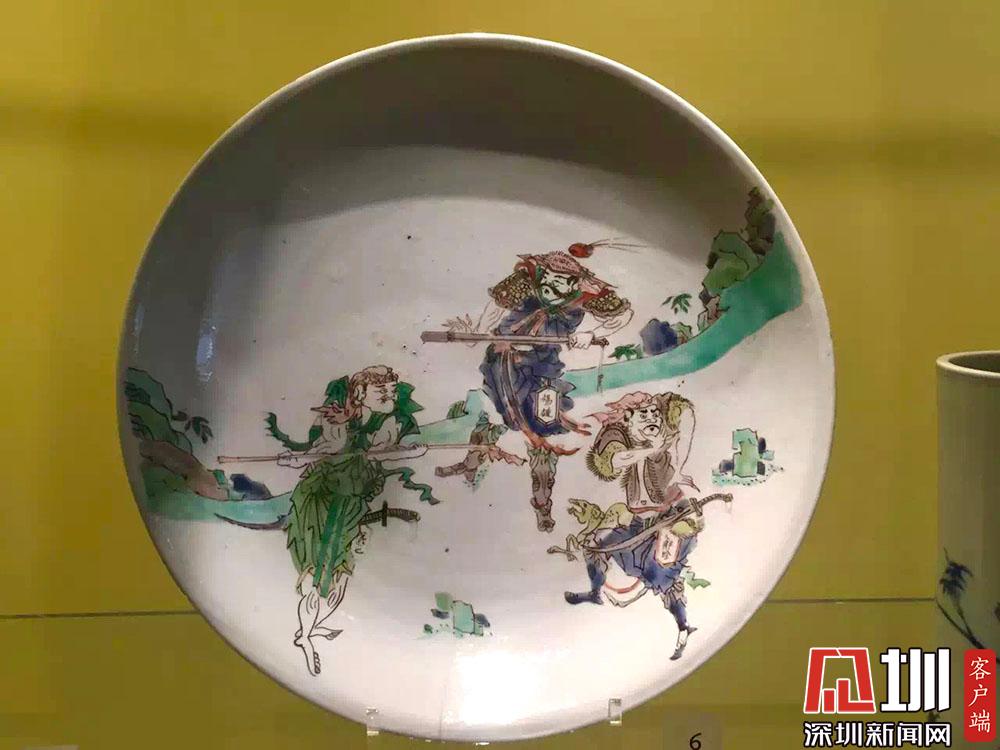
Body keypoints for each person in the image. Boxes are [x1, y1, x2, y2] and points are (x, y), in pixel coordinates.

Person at [442, 247, 632, 531]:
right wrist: (479, 331)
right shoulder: (526, 279)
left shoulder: (587, 294)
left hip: (543, 370)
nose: (549, 286)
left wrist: (592, 334)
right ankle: (471, 463)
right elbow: (497, 306)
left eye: (559, 282)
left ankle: (542, 502)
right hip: (502, 364)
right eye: (547, 278)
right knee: (492, 415)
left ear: (573, 283)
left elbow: (622, 316)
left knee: (543, 430)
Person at [267, 365, 430, 675]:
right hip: (323, 498)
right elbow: (322, 451)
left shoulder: (391, 422)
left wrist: (408, 452)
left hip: (353, 501)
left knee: (341, 569)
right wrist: (295, 460)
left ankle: (311, 627)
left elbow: (381, 454)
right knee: (318, 566)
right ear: (360, 393)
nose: (389, 396)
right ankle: (306, 634)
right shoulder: (338, 420)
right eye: (380, 391)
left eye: (391, 391)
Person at [566, 391, 701, 660]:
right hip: (638, 523)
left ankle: (683, 626)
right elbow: (615, 460)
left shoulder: (668, 444)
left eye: (655, 413)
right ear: (628, 420)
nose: (652, 417)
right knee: (594, 547)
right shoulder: (627, 444)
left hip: (670, 521)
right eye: (643, 414)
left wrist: (667, 450)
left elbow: (685, 415)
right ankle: (595, 592)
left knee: (662, 576)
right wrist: (649, 448)